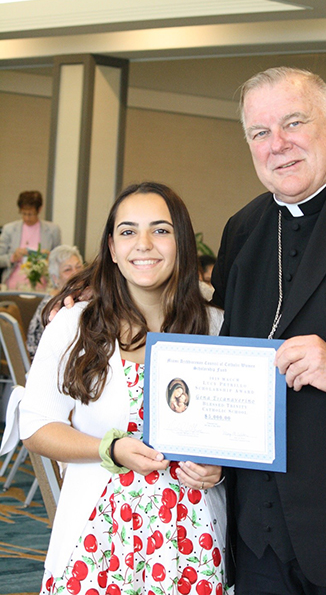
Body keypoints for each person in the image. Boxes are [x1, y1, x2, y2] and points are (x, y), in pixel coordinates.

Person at [211, 67, 326, 594]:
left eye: (293, 123)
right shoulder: (243, 229)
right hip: (258, 540)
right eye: (260, 132)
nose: (278, 145)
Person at [18, 182, 228, 594]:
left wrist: (220, 470)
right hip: (100, 536)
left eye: (161, 230)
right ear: (112, 248)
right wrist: (109, 449)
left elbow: (236, 432)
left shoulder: (216, 326)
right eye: (128, 231)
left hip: (192, 539)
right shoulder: (75, 324)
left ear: (182, 243)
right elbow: (37, 425)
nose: (144, 244)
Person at [26, 244, 83, 358]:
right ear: (55, 278)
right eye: (68, 270)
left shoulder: (78, 299)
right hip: (45, 365)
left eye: (78, 267)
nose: (76, 273)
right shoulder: (53, 306)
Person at [0, 190, 61, 290]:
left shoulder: (52, 230)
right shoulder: (9, 229)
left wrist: (50, 257)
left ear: (39, 210)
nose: (27, 218)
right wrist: (13, 257)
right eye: (24, 214)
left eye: (31, 214)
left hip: (43, 283)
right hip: (14, 282)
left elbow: (60, 261)